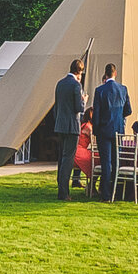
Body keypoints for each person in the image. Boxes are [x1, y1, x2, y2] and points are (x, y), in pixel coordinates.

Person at [91, 63, 129, 200]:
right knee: (116, 161)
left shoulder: (100, 91)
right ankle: (116, 191)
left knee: (106, 162)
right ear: (115, 73)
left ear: (105, 74)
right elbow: (128, 110)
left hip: (103, 130)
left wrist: (95, 130)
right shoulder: (123, 89)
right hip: (118, 130)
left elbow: (96, 114)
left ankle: (106, 193)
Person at [51, 58, 87, 200]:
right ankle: (64, 193)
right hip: (72, 126)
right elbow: (78, 108)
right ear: (79, 72)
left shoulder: (60, 84)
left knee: (61, 158)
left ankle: (61, 186)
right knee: (68, 159)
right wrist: (83, 101)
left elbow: (57, 107)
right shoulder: (76, 85)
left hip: (60, 125)